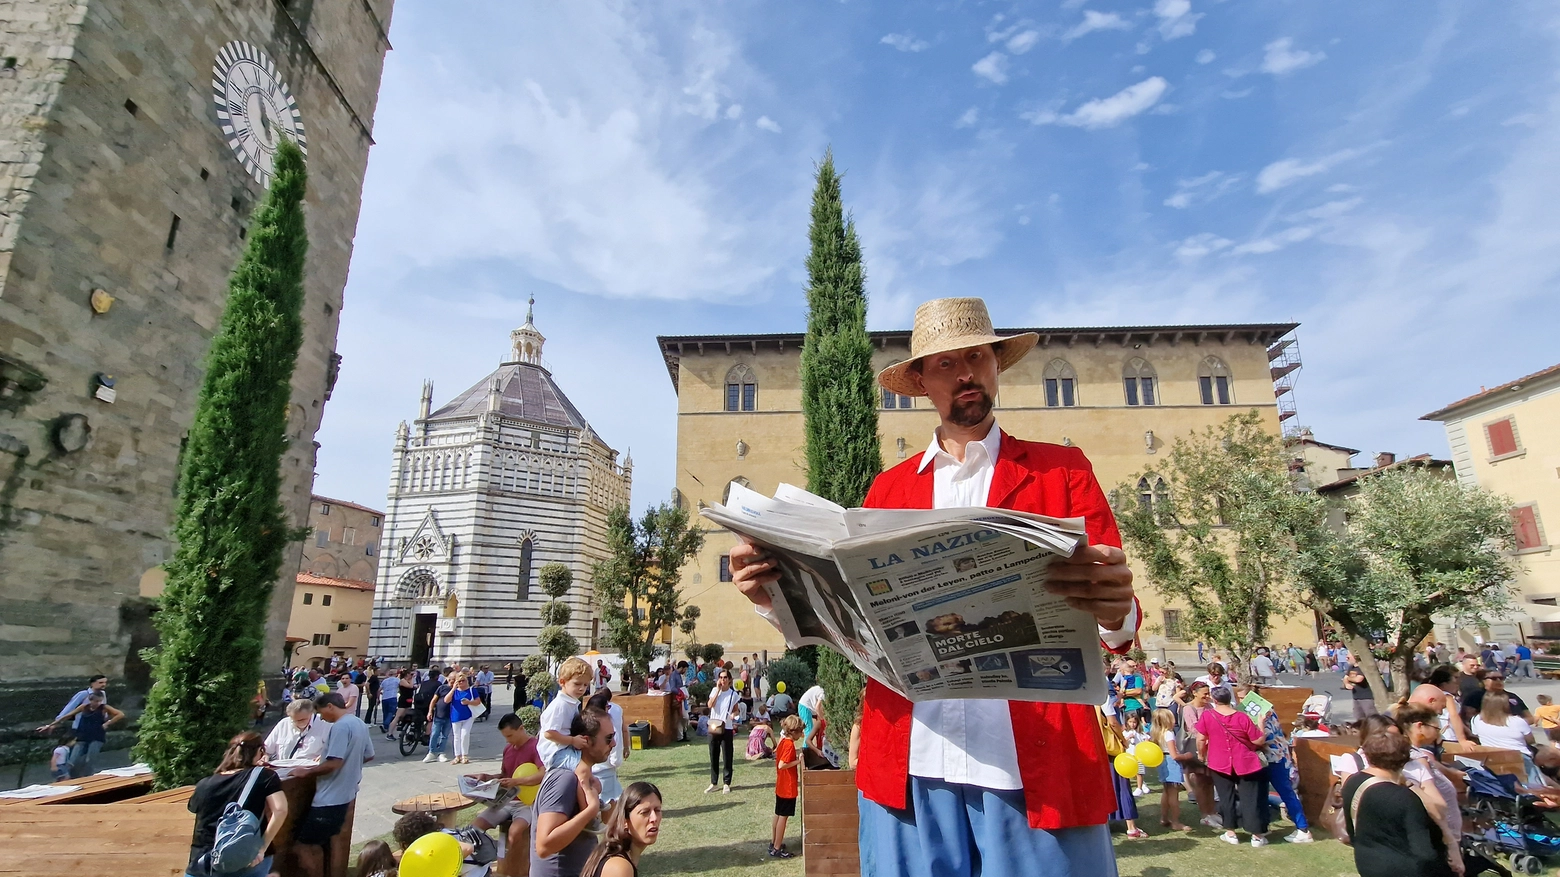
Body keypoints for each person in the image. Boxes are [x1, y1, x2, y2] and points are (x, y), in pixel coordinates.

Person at [728, 298, 1140, 877]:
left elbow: (1118, 627)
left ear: (997, 365)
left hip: (1035, 769)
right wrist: (770, 598)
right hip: (909, 766)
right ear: (921, 382)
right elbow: (855, 624)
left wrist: (1117, 608)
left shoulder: (1063, 472)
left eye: (976, 357)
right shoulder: (887, 491)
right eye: (945, 364)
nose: (965, 373)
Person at [1342, 730, 1457, 877]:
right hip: (1405, 869)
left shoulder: (1353, 782)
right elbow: (1424, 853)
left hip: (1367, 863)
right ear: (1405, 760)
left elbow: (1352, 831)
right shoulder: (1405, 798)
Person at [291, 693, 375, 877]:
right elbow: (369, 755)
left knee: (303, 847)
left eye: (320, 712)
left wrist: (307, 771)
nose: (321, 717)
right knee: (332, 844)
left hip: (328, 800)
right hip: (347, 794)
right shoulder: (358, 723)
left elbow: (334, 763)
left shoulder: (340, 727)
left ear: (330, 706)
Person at [183, 731, 288, 877]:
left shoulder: (204, 783)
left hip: (202, 862)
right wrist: (262, 847)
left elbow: (194, 811)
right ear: (259, 751)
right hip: (244, 858)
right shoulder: (264, 776)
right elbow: (280, 810)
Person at [532, 708, 615, 877]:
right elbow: (544, 846)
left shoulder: (582, 777)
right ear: (585, 740)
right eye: (609, 738)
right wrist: (591, 810)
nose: (613, 744)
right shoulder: (565, 779)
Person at [471, 712, 546, 877]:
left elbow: (542, 774)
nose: (508, 740)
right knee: (474, 827)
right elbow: (504, 775)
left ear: (521, 728)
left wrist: (517, 782)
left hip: (527, 803)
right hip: (507, 801)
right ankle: (482, 864)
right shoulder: (508, 749)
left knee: (515, 832)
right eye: (505, 737)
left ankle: (513, 869)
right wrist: (487, 778)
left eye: (510, 736)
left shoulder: (535, 747)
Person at [1196, 686, 1269, 847]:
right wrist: (1261, 725)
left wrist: (1201, 755)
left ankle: (1231, 832)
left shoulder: (1208, 716)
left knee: (1225, 798)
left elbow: (1200, 739)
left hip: (1219, 762)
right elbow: (1258, 741)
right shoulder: (1242, 717)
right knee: (1251, 798)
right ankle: (1256, 835)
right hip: (1245, 761)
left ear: (1215, 700)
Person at [1397, 704, 1466, 875]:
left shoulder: (1420, 755)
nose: (1439, 733)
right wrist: (1449, 841)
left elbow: (1439, 767)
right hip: (1440, 836)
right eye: (1436, 728)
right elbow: (1429, 800)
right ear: (1419, 726)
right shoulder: (1416, 759)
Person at [579, 781, 663, 877]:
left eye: (657, 810)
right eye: (645, 812)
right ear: (624, 821)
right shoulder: (619, 867)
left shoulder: (618, 857)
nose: (654, 818)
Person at [43, 690, 123, 777]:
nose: (98, 703)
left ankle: (88, 777)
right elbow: (67, 716)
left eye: (100, 701)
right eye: (96, 701)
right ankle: (67, 777)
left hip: (97, 736)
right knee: (73, 759)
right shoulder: (84, 707)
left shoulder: (104, 708)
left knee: (89, 760)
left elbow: (120, 714)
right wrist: (51, 725)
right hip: (82, 735)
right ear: (91, 700)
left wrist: (108, 723)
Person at [1177, 681, 1219, 828]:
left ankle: (1212, 811)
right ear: (1195, 693)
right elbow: (1194, 728)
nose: (1207, 696)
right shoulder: (1188, 708)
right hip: (1196, 749)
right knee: (1200, 782)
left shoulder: (1209, 706)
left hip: (1210, 748)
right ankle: (1204, 814)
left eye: (1209, 693)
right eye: (1205, 694)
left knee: (1210, 781)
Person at [539, 657, 593, 769]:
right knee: (583, 769)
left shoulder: (570, 703)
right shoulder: (560, 705)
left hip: (566, 749)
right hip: (556, 753)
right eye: (577, 684)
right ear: (562, 682)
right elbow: (549, 733)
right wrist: (572, 740)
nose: (582, 688)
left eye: (585, 685)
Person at [588, 687, 629, 812]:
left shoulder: (590, 720)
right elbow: (615, 737)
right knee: (608, 801)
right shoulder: (603, 724)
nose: (609, 709)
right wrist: (616, 759)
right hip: (602, 768)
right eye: (607, 707)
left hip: (598, 767)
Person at [770, 715, 804, 858]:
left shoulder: (783, 741)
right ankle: (777, 848)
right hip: (787, 787)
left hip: (781, 785)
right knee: (783, 817)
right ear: (794, 732)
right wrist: (798, 761)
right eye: (800, 732)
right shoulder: (789, 745)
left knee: (778, 814)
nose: (801, 734)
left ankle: (774, 842)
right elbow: (782, 764)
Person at [1149, 709, 1187, 831]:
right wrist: (1187, 756)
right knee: (1174, 795)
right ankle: (1176, 822)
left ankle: (1164, 817)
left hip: (1162, 761)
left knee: (1166, 791)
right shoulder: (1169, 733)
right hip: (1171, 762)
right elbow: (1174, 755)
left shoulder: (1156, 733)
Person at [706, 666, 740, 794]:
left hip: (726, 727)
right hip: (713, 726)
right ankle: (713, 782)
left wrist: (733, 714)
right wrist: (718, 691)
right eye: (721, 677)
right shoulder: (715, 690)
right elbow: (710, 705)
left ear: (730, 680)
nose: (723, 680)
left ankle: (727, 782)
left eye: (725, 678)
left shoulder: (733, 694)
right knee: (713, 755)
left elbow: (736, 709)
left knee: (727, 755)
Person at [264, 699, 329, 763]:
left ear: (311, 713)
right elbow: (266, 749)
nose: (299, 722)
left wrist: (324, 756)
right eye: (295, 720)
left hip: (311, 769)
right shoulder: (284, 724)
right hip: (283, 768)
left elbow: (335, 751)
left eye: (303, 719)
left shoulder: (325, 724)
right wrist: (264, 756)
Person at [447, 672, 481, 764]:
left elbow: (478, 702)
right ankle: (457, 756)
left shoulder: (471, 690)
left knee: (465, 734)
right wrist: (453, 688)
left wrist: (469, 702)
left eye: (463, 680)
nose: (462, 682)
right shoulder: (454, 691)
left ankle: (464, 755)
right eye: (459, 681)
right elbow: (446, 700)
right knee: (456, 736)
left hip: (468, 715)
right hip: (455, 716)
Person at [424, 669, 454, 764]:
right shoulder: (441, 688)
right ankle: (431, 752)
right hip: (438, 715)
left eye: (453, 679)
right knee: (434, 734)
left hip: (449, 716)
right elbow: (433, 700)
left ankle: (441, 752)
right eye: (450, 679)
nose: (451, 681)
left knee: (444, 736)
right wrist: (430, 712)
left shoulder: (457, 690)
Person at [796, 684, 825, 752]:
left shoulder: (822, 690)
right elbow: (817, 708)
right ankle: (805, 752)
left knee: (816, 730)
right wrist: (822, 720)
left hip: (809, 708)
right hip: (805, 707)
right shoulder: (823, 693)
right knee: (808, 731)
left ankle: (815, 748)